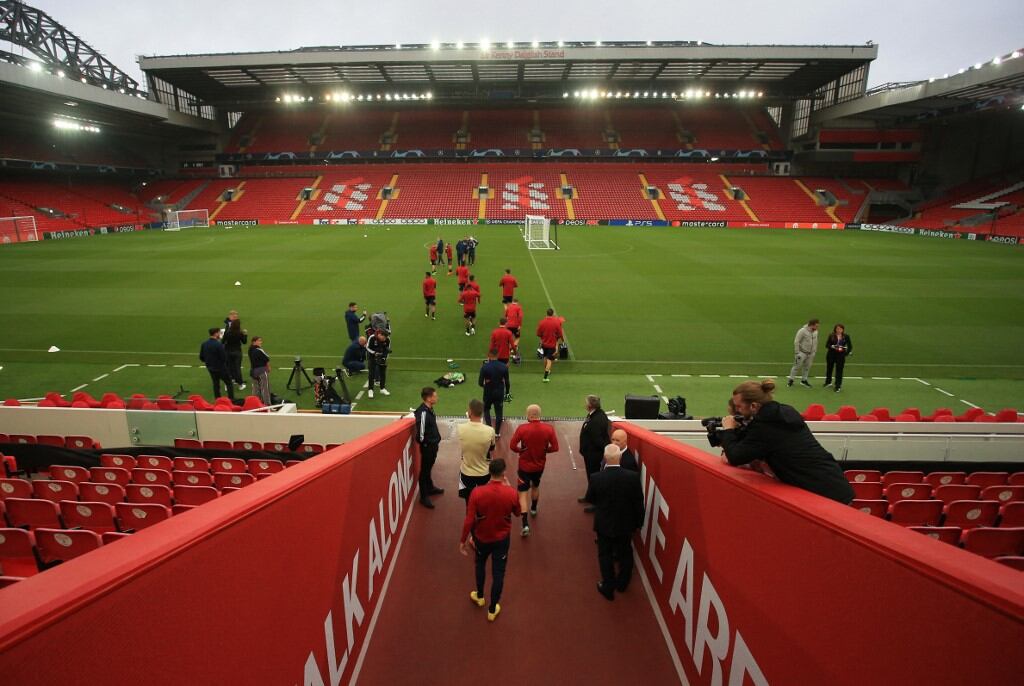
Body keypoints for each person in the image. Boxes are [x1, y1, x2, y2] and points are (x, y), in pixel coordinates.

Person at [720, 379, 855, 504]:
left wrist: (728, 430)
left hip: (824, 495)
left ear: (754, 406)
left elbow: (735, 456)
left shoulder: (765, 425)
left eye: (739, 407)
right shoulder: (785, 411)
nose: (737, 411)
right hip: (835, 485)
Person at [459, 458, 520, 622]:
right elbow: (518, 513)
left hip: (481, 538)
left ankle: (479, 596)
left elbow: (469, 519)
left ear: (489, 473)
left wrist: (463, 540)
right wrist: (510, 489)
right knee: (498, 573)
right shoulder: (511, 493)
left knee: (480, 564)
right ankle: (492, 609)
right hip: (501, 539)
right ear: (504, 473)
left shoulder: (477, 493)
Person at [587, 444, 645, 601]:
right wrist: (639, 523)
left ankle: (608, 587)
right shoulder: (632, 477)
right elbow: (638, 503)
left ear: (605, 458)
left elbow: (590, 499)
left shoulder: (596, 478)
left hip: (604, 524)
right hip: (625, 524)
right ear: (619, 457)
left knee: (604, 555)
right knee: (625, 553)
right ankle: (622, 584)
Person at [509, 404, 559, 537]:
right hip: (539, 466)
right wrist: (544, 451)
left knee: (522, 493)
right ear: (539, 415)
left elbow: (512, 446)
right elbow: (555, 447)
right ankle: (534, 508)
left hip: (524, 466)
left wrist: (521, 451)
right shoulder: (548, 429)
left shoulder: (522, 428)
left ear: (529, 415)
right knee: (536, 486)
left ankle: (525, 524)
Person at [457, 398, 496, 507]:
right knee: (483, 501)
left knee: (469, 503)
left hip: (466, 473)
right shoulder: (490, 431)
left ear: (469, 412)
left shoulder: (461, 428)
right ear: (482, 412)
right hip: (484, 473)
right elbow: (492, 448)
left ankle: (470, 519)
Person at [578, 395, 610, 512]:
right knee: (591, 477)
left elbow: (598, 440)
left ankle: (596, 503)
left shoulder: (597, 419)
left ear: (590, 405)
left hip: (594, 455)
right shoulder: (595, 415)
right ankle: (589, 496)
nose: (584, 404)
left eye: (586, 402)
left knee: (595, 477)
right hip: (590, 454)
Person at [414, 386, 444, 509]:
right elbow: (420, 434)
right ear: (429, 398)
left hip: (432, 445)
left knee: (428, 467)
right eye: (435, 396)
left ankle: (430, 487)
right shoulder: (423, 413)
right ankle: (423, 496)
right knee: (424, 470)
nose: (437, 397)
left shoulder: (429, 409)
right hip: (428, 447)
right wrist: (426, 443)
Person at [478, 348, 509, 438]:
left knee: (486, 409)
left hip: (488, 392)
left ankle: (489, 430)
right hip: (499, 392)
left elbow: (480, 383)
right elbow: (507, 382)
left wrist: (486, 385)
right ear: (497, 355)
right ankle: (497, 433)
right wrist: (507, 392)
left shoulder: (484, 367)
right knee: (499, 412)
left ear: (489, 356)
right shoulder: (504, 367)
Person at [199, 327, 234, 401]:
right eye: (219, 333)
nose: (220, 334)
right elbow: (224, 357)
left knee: (215, 384)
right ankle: (231, 399)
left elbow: (201, 357)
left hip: (210, 368)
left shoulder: (204, 344)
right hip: (221, 368)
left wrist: (208, 362)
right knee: (229, 383)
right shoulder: (218, 344)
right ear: (215, 333)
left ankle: (217, 399)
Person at [787, 318, 819, 388]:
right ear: (811, 325)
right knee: (796, 366)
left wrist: (814, 351)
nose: (817, 327)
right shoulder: (802, 331)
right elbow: (796, 341)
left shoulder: (816, 332)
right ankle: (791, 380)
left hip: (811, 353)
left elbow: (816, 341)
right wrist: (797, 352)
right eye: (816, 326)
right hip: (802, 352)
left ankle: (804, 380)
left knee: (807, 367)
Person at [536, 308, 564, 382]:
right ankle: (545, 376)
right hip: (551, 344)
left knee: (545, 357)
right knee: (549, 360)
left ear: (547, 313)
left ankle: (546, 370)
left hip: (544, 344)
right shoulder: (556, 322)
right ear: (553, 313)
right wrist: (561, 339)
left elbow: (538, 333)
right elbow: (560, 333)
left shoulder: (542, 322)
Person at [824, 324, 853, 393]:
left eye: (840, 329)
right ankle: (828, 382)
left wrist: (845, 354)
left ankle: (838, 386)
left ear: (843, 330)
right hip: (831, 354)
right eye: (837, 329)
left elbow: (850, 346)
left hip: (840, 356)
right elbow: (827, 345)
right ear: (835, 329)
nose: (839, 330)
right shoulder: (831, 336)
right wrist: (832, 346)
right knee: (829, 368)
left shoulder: (846, 336)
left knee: (839, 371)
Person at [223, 310, 248, 390]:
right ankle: (240, 383)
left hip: (227, 351)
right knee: (237, 368)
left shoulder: (227, 333)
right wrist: (245, 335)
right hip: (237, 351)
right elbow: (244, 342)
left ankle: (228, 384)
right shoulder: (239, 332)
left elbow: (223, 341)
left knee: (229, 367)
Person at [366, 329, 391, 398]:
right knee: (371, 373)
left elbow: (388, 349)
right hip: (372, 357)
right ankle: (370, 390)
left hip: (382, 357)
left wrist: (384, 358)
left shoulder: (387, 339)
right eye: (384, 337)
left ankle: (382, 388)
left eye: (386, 337)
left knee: (382, 373)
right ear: (380, 335)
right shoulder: (372, 337)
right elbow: (367, 347)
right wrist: (374, 353)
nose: (385, 339)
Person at [247, 336, 271, 405]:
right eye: (259, 340)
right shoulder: (259, 350)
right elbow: (267, 358)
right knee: (265, 388)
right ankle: (267, 405)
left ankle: (255, 404)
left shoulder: (250, 349)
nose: (261, 342)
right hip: (261, 371)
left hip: (253, 371)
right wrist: (268, 367)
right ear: (254, 342)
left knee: (255, 389)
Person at [505, 298, 524, 364]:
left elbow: (506, 315)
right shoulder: (519, 307)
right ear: (517, 302)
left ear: (512, 302)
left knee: (509, 338)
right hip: (515, 325)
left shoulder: (509, 307)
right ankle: (513, 349)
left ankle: (509, 350)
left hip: (508, 325)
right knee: (517, 337)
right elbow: (520, 316)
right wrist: (519, 325)